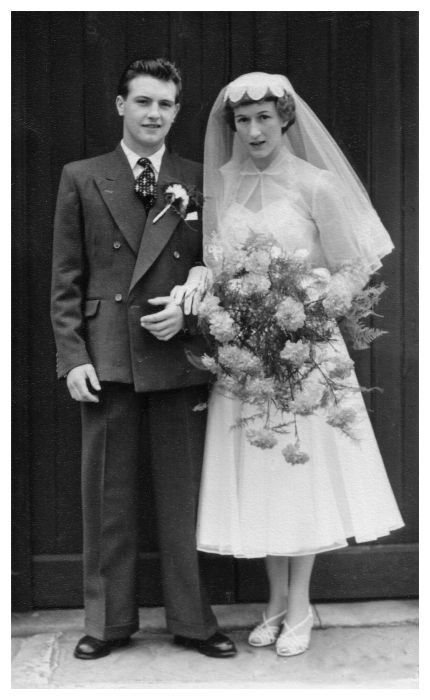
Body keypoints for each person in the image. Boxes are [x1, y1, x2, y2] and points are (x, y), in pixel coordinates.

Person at [191, 72, 404, 657]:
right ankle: (275, 602)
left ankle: (301, 605)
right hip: (246, 352)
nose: (254, 130)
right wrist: (231, 304)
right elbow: (217, 264)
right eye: (243, 120)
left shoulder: (317, 185)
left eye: (265, 117)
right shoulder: (223, 183)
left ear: (285, 118)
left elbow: (353, 266)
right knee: (261, 470)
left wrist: (309, 307)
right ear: (232, 126)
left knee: (300, 470)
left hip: (304, 349)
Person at [50, 58, 236, 660]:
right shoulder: (83, 176)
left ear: (177, 112)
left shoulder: (196, 177)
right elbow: (66, 279)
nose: (154, 114)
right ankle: (106, 624)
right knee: (106, 496)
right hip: (107, 358)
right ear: (121, 105)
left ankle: (193, 621)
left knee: (183, 498)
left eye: (166, 105)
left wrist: (191, 312)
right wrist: (72, 355)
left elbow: (221, 271)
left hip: (177, 353)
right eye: (144, 102)